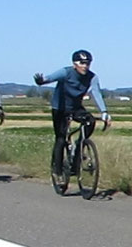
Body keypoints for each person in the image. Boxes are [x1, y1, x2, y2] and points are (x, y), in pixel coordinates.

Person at [34, 49, 110, 183]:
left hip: (76, 107)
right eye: (82, 63)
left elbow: (96, 94)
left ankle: (79, 146)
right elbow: (49, 78)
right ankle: (57, 171)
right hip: (60, 108)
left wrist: (104, 112)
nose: (85, 66)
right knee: (61, 139)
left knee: (90, 121)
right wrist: (41, 81)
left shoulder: (92, 77)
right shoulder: (66, 72)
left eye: (88, 63)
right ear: (75, 64)